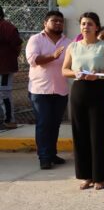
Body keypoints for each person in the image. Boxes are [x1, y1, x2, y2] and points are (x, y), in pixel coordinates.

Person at [61, 12, 104, 190]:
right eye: (83, 24)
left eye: (90, 24)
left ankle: (100, 176)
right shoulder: (73, 46)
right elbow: (65, 70)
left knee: (98, 134)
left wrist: (99, 74)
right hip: (79, 90)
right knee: (80, 134)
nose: (86, 27)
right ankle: (85, 176)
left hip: (98, 90)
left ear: (96, 27)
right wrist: (76, 73)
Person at [26, 10, 72, 169]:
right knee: (44, 123)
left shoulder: (68, 42)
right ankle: (44, 157)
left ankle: (52, 153)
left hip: (61, 90)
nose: (58, 23)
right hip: (40, 91)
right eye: (54, 21)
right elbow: (33, 59)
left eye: (61, 21)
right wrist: (53, 56)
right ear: (45, 23)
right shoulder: (35, 39)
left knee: (54, 124)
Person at [0, 6, 22, 129]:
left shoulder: (6, 27)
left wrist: (10, 58)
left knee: (4, 93)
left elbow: (18, 45)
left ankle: (10, 120)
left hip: (4, 68)